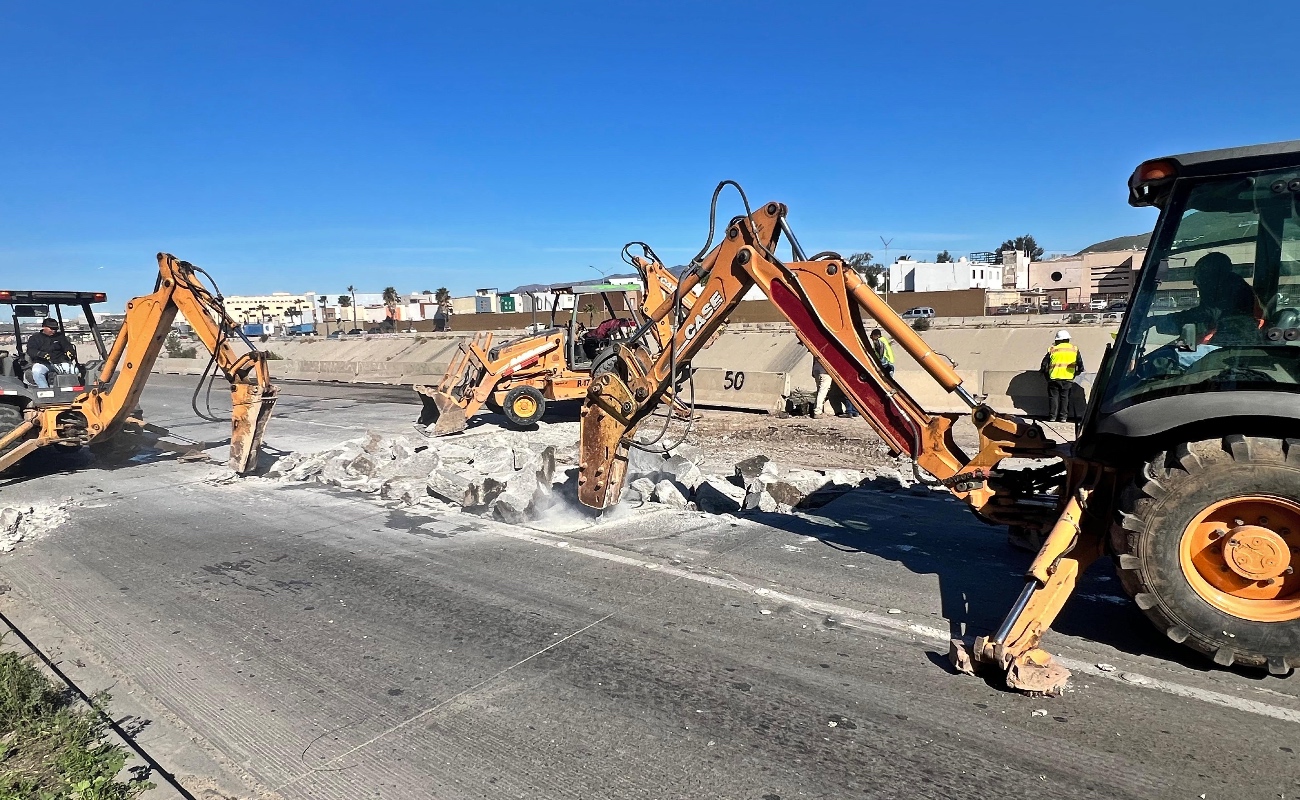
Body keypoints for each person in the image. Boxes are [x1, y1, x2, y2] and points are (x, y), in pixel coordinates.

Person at [1156, 252, 1259, 345]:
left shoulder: (1229, 289)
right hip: (1232, 340)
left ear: (1211, 275)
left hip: (1232, 344)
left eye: (1198, 274)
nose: (1194, 282)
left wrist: (1161, 320)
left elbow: (1205, 314)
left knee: (1165, 359)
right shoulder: (1234, 285)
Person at [1040, 329, 1083, 423]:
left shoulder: (1052, 349)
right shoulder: (1074, 349)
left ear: (1058, 340)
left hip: (1054, 377)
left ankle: (1052, 417)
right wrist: (1079, 371)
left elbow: (1044, 364)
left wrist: (1044, 373)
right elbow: (1080, 363)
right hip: (1068, 377)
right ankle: (1063, 417)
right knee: (1065, 397)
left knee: (1054, 397)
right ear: (1068, 339)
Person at [26, 317, 78, 388]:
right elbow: (31, 350)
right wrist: (40, 354)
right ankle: (45, 390)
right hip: (43, 363)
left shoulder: (60, 337)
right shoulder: (35, 338)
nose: (54, 331)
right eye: (51, 328)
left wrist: (70, 351)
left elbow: (67, 346)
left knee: (75, 370)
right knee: (37, 372)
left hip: (60, 362)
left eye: (55, 329)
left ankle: (68, 390)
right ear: (44, 327)